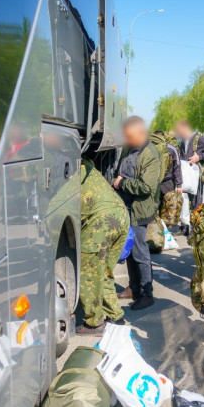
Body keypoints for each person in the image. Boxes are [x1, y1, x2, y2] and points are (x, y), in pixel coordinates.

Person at [113, 116, 162, 311]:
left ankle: (147, 294)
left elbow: (147, 186)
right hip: (126, 207)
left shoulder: (150, 154)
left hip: (140, 210)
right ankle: (133, 288)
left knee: (140, 253)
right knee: (130, 251)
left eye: (130, 136)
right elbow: (120, 170)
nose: (128, 140)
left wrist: (122, 183)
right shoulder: (128, 148)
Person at [77, 158, 130, 335]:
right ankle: (115, 316)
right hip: (121, 214)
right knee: (105, 271)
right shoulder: (88, 166)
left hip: (101, 221)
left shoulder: (69, 172)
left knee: (89, 272)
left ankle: (94, 323)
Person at [175, 119, 204, 210]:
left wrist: (199, 157)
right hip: (186, 176)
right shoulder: (182, 141)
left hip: (196, 177)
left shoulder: (199, 139)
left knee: (196, 203)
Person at [157, 130, 184, 227]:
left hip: (153, 183)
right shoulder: (171, 148)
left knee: (154, 209)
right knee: (167, 210)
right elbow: (177, 167)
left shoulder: (149, 147)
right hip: (168, 184)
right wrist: (179, 184)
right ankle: (165, 231)